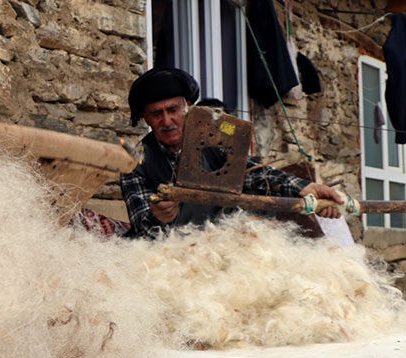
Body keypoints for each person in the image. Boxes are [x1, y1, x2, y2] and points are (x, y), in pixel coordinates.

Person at [119, 67, 341, 238]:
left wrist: (305, 188)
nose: (167, 121)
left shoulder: (214, 142)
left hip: (221, 243)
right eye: (157, 114)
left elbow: (253, 174)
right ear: (145, 118)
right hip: (174, 255)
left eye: (173, 110)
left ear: (187, 106)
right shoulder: (134, 162)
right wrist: (158, 217)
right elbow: (143, 228)